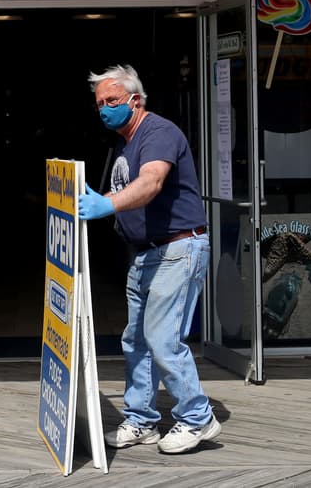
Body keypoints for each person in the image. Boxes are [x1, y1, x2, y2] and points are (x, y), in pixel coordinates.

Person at [78, 64, 220, 454]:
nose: (105, 109)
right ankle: (141, 419)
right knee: (137, 341)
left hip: (177, 249)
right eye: (100, 104)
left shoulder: (158, 133)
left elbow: (151, 182)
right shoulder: (125, 143)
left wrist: (105, 203)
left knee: (162, 340)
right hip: (146, 254)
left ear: (135, 100)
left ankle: (198, 418)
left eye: (112, 101)